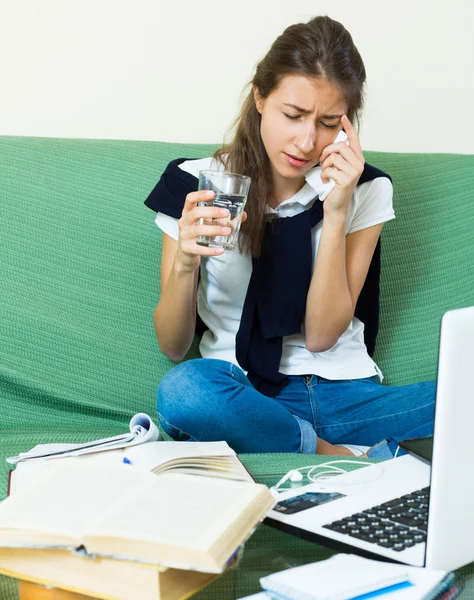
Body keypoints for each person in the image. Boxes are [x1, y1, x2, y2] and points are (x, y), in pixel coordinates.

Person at [144, 15, 435, 460]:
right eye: (293, 115)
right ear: (260, 96)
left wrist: (337, 213)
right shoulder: (196, 184)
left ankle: (347, 445)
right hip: (245, 396)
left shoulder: (366, 189)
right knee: (184, 391)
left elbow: (321, 337)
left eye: (327, 122)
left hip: (349, 398)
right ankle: (336, 455)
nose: (305, 141)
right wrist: (186, 260)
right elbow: (173, 345)